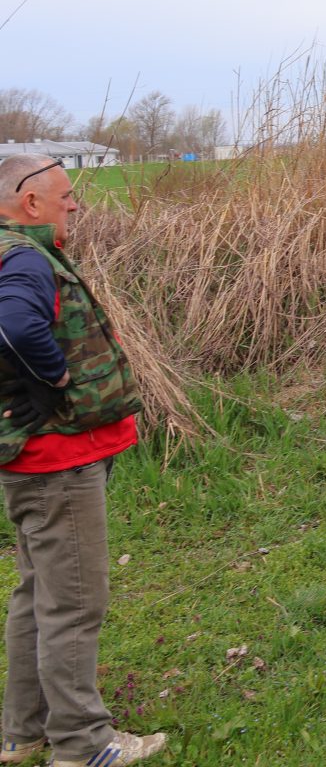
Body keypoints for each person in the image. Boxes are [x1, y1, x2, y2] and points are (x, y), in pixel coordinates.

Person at [0, 155, 167, 766]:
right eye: (66, 195)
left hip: (37, 462)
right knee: (72, 603)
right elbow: (16, 326)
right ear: (31, 202)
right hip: (58, 464)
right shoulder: (25, 259)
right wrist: (56, 380)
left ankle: (22, 732)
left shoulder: (11, 252)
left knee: (39, 595)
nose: (75, 204)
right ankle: (82, 745)